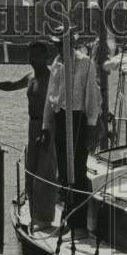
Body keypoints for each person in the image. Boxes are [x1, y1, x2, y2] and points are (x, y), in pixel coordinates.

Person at [0, 40, 58, 230]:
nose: (32, 59)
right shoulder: (30, 76)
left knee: (45, 173)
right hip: (32, 125)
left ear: (46, 57)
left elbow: (57, 107)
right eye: (30, 55)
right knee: (30, 171)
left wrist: (47, 130)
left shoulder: (52, 78)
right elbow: (10, 85)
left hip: (47, 127)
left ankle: (45, 217)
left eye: (36, 55)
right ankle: (34, 214)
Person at [42, 30, 100, 234]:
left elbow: (93, 96)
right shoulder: (57, 64)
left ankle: (79, 224)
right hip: (60, 118)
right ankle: (68, 218)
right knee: (65, 170)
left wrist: (92, 126)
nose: (61, 48)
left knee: (77, 170)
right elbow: (51, 97)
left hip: (78, 119)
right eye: (58, 45)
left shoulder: (86, 63)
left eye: (64, 44)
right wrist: (45, 127)